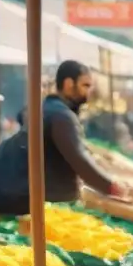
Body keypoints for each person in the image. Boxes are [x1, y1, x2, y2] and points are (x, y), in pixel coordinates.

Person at [41, 60, 127, 203]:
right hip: (48, 200)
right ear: (69, 84)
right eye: (85, 85)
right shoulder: (61, 115)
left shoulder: (48, 108)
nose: (88, 93)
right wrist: (111, 186)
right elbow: (80, 160)